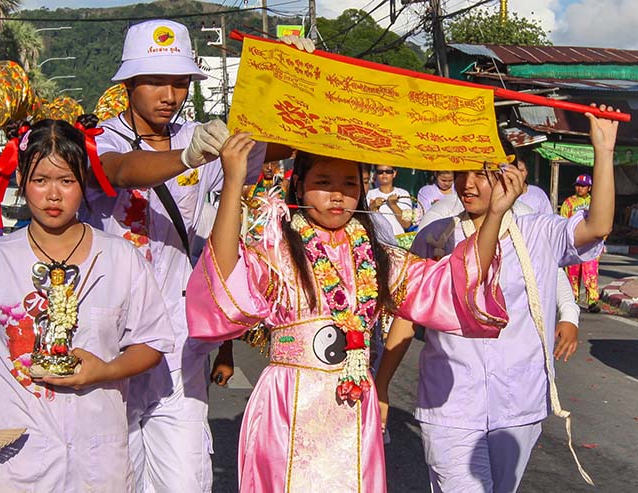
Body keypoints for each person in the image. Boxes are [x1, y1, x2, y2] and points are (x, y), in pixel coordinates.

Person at [186, 126, 526, 491]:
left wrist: (494, 215)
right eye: (324, 181)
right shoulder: (276, 251)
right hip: (289, 406)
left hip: (352, 409)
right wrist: (234, 181)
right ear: (298, 186)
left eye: (350, 183)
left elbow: (450, 285)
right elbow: (223, 283)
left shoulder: (379, 258)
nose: (337, 195)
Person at [78, 19, 292, 492]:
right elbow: (124, 170)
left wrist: (299, 88)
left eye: (179, 83)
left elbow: (270, 146)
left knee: (185, 474)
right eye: (156, 81)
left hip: (176, 331)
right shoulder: (100, 140)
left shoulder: (201, 134)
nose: (169, 94)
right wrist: (187, 157)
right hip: (109, 332)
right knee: (114, 472)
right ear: (129, 83)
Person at [0, 119, 175, 492]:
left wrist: (104, 371)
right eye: (41, 180)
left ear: (83, 181)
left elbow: (151, 341)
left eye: (66, 181)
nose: (53, 195)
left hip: (96, 461)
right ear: (22, 180)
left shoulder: (121, 259)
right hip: (9, 468)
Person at [376, 105, 618, 492]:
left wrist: (603, 152)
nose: (468, 184)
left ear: (508, 174)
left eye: (481, 174)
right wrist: (382, 385)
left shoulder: (539, 231)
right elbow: (408, 313)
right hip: (448, 403)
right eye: (461, 173)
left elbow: (597, 225)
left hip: (518, 403)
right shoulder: (435, 237)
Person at [561, 173, 602, 313]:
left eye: (583, 186)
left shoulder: (596, 202)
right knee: (573, 273)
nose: (580, 188)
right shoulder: (568, 203)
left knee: (590, 273)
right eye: (578, 185)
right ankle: (573, 299)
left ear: (589, 188)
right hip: (574, 245)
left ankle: (593, 301)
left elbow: (602, 221)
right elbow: (563, 221)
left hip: (591, 244)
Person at [366, 165, 413, 237]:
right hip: (377, 240)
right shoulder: (369, 194)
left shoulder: (404, 194)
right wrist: (372, 208)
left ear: (394, 173)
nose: (384, 174)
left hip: (398, 240)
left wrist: (393, 205)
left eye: (388, 171)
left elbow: (407, 224)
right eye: (380, 172)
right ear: (375, 174)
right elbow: (365, 222)